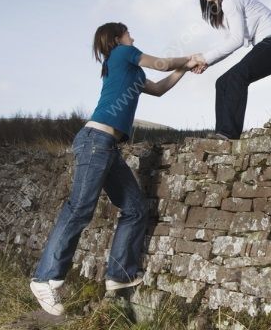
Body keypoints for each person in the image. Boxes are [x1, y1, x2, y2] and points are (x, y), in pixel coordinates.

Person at [30, 22, 199, 316]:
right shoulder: (122, 53)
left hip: (108, 147)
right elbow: (161, 63)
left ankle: (120, 276)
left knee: (134, 209)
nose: (133, 36)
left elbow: (158, 88)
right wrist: (188, 58)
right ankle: (44, 279)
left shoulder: (131, 72)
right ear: (117, 38)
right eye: (128, 32)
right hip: (95, 141)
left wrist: (184, 70)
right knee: (80, 208)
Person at [193, 0, 271, 140]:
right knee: (222, 82)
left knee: (236, 78)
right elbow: (228, 44)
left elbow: (237, 40)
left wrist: (205, 58)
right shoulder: (222, 11)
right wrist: (206, 63)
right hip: (269, 45)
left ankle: (228, 134)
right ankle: (221, 135)